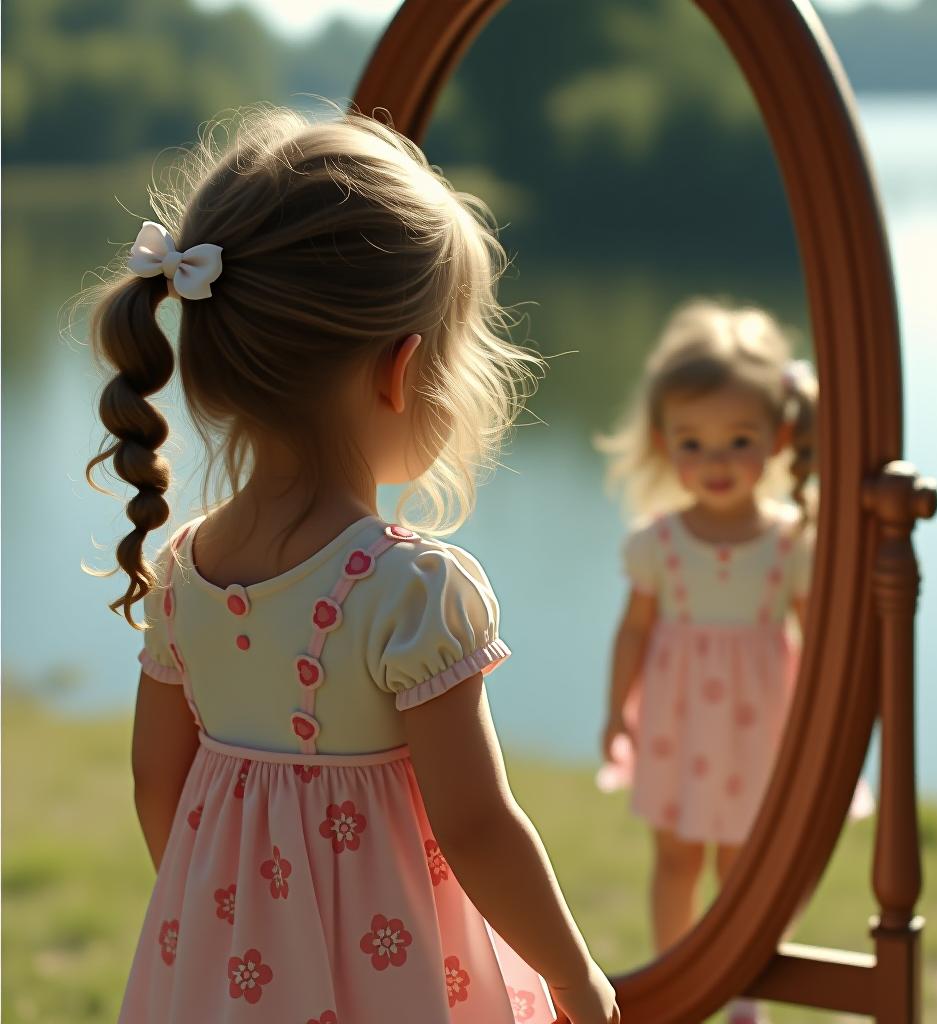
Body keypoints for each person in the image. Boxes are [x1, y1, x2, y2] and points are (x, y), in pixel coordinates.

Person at [85, 105, 618, 1024]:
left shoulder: (183, 571)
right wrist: (574, 977)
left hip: (225, 977)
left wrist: (219, 924)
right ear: (402, 370)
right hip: (392, 978)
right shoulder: (410, 592)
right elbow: (478, 825)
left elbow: (154, 781)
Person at [597, 300, 818, 1024]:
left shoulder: (790, 544)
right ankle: (678, 986)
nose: (715, 463)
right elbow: (633, 632)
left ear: (779, 438)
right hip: (677, 725)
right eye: (693, 443)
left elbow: (814, 640)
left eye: (737, 440)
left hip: (761, 727)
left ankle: (741, 997)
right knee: (678, 858)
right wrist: (615, 713)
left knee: (746, 869)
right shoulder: (658, 543)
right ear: (664, 444)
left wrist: (823, 730)